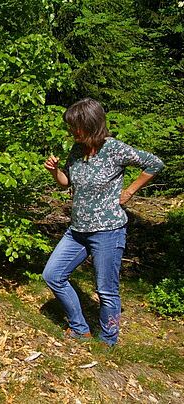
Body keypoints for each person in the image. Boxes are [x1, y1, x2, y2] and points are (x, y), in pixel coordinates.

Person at [42, 97, 164, 347]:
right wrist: (55, 172)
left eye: (76, 126)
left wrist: (129, 191)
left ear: (91, 124)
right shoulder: (77, 150)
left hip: (108, 231)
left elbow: (154, 163)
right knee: (52, 275)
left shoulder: (115, 149)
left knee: (106, 290)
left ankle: (108, 341)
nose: (72, 131)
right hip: (77, 230)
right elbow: (68, 183)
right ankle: (79, 328)